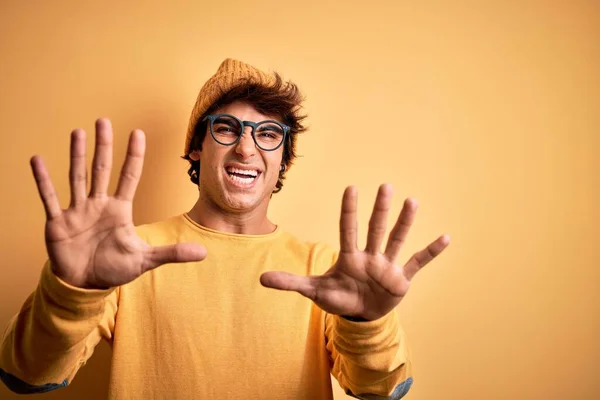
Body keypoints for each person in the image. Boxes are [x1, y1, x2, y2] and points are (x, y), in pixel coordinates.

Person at [0, 58, 449, 399]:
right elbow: (27, 375)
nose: (246, 148)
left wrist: (367, 322)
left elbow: (382, 388)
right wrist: (71, 290)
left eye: (268, 133)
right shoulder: (126, 256)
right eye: (227, 128)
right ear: (196, 148)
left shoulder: (325, 272)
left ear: (282, 160)